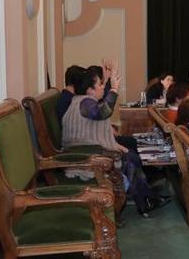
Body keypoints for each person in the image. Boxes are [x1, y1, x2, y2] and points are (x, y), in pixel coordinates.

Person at [63, 68, 163, 218]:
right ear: (90, 90)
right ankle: (145, 201)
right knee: (132, 159)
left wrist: (116, 145)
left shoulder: (80, 101)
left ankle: (146, 198)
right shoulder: (85, 103)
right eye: (100, 85)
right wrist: (114, 88)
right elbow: (103, 112)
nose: (103, 87)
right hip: (86, 159)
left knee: (131, 155)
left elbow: (92, 130)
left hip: (88, 151)